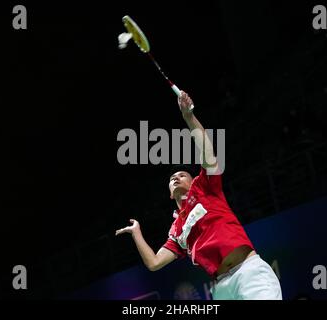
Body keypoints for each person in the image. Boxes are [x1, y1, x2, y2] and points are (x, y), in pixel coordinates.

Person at [115, 91, 282, 300]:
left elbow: (207, 151)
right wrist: (137, 232)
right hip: (221, 288)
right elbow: (154, 263)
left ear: (193, 180)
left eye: (182, 175)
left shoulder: (205, 187)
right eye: (171, 178)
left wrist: (189, 117)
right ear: (169, 194)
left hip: (247, 272)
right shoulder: (176, 231)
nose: (175, 178)